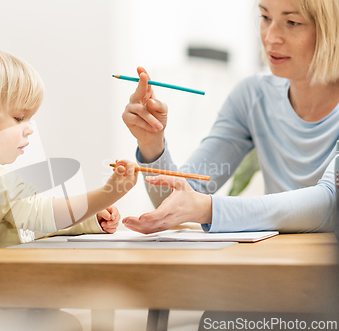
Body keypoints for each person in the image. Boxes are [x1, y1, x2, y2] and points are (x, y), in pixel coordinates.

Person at [0, 45, 138, 331]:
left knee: (67, 321)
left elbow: (30, 224)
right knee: (69, 322)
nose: (30, 128)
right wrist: (107, 194)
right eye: (19, 118)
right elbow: (35, 215)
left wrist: (89, 220)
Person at [121, 0, 339, 234]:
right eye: (265, 18)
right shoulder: (252, 96)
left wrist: (209, 209)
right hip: (278, 261)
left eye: (293, 22)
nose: (270, 37)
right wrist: (152, 144)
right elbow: (179, 197)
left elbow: (329, 204)